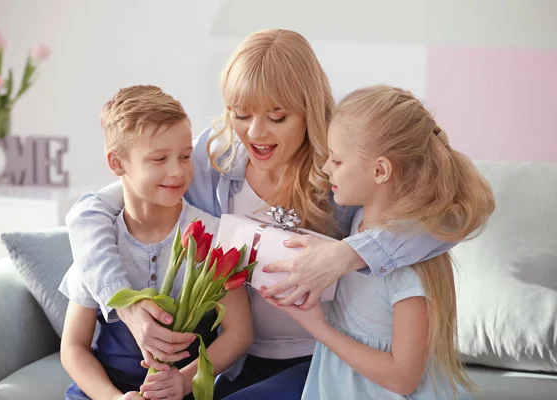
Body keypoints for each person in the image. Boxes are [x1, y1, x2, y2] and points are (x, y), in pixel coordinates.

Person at [64, 30, 457, 399]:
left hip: (319, 353)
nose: (255, 133)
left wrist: (347, 254)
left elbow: (444, 219)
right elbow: (91, 212)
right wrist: (124, 305)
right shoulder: (207, 159)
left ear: (308, 111)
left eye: (278, 117)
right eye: (241, 113)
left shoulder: (340, 174)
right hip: (239, 362)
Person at [266, 85, 495, 399]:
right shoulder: (358, 218)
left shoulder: (410, 268)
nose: (325, 168)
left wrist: (317, 326)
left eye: (337, 161)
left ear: (380, 170)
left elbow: (403, 379)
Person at [59, 85, 252, 400]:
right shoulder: (99, 243)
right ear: (117, 163)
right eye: (159, 159)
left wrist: (184, 382)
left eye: (185, 156)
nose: (177, 171)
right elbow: (73, 346)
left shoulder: (214, 234)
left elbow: (239, 333)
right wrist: (111, 398)